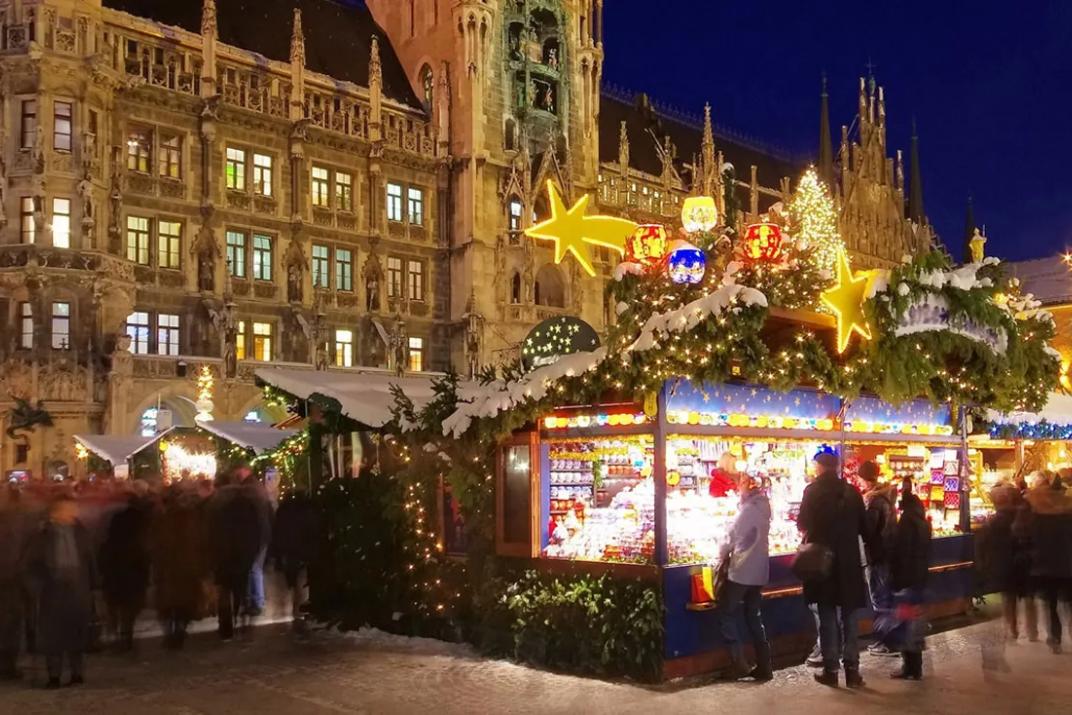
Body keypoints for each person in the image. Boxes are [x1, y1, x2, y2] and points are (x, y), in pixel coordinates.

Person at [798, 451, 872, 689]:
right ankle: (852, 671)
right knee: (849, 617)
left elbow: (803, 523)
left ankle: (831, 670)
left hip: (823, 564)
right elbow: (865, 528)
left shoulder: (812, 492)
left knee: (827, 617)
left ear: (819, 467)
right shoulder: (852, 492)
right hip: (848, 563)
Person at [25, 495, 96, 688]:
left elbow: (90, 560)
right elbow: (31, 564)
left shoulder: (81, 533)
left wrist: (93, 586)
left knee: (76, 631)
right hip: (52, 590)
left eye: (74, 509)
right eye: (68, 509)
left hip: (77, 588)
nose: (73, 513)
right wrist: (35, 587)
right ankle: (54, 675)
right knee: (53, 634)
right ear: (56, 513)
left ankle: (76, 672)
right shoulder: (42, 536)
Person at [717, 473, 773, 681]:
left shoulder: (748, 510)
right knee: (753, 616)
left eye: (740, 484)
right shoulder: (764, 507)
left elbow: (731, 538)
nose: (737, 488)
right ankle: (765, 665)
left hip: (742, 570)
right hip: (759, 570)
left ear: (747, 488)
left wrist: (721, 555)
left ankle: (739, 663)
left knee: (726, 612)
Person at [977, 483, 1036, 641]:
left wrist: (985, 562)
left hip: (1004, 564)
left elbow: (983, 542)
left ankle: (1012, 629)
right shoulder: (1023, 515)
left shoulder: (994, 521)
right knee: (1028, 596)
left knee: (1009, 598)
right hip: (1023, 563)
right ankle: (1032, 630)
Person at [153, 482, 208, 649]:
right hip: (186, 566)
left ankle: (172, 632)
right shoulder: (191, 517)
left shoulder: (163, 519)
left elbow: (155, 543)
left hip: (170, 567)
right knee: (183, 602)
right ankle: (179, 630)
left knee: (170, 602)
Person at [98, 482, 153, 651]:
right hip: (133, 567)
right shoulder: (140, 519)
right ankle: (126, 633)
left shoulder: (112, 520)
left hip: (117, 567)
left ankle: (119, 633)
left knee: (117, 603)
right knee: (130, 605)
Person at [1023, 471, 1072, 654]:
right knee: (1068, 603)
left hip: (1045, 566)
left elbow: (1027, 537)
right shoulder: (1068, 514)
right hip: (1066, 563)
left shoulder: (1037, 516)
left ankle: (1055, 638)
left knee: (1051, 605)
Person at [208, 472, 261, 640]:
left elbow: (209, 531)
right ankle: (241, 618)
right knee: (241, 587)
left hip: (221, 554)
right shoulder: (246, 503)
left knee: (224, 590)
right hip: (243, 553)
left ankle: (226, 628)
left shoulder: (215, 505)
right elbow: (255, 529)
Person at [888, 478, 931, 680]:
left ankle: (910, 667)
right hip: (919, 578)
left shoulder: (906, 522)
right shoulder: (923, 522)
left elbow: (900, 552)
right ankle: (916, 666)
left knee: (906, 623)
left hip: (906, 580)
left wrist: (896, 578)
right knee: (915, 621)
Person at [859, 460, 899, 656]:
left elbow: (869, 530)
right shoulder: (887, 497)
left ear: (864, 478)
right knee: (887, 598)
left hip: (877, 555)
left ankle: (887, 642)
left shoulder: (874, 501)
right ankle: (890, 640)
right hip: (888, 553)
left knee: (880, 600)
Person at [273, 487, 319, 633]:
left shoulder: (284, 511)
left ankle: (294, 609)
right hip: (302, 551)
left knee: (293, 581)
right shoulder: (308, 511)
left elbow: (278, 532)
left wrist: (279, 553)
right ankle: (299, 611)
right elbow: (312, 532)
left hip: (290, 551)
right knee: (301, 582)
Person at [0, 484, 29, 679]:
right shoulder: (16, 522)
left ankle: (8, 665)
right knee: (9, 623)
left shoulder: (16, 521)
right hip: (10, 578)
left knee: (10, 624)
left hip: (11, 579)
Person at [238, 467, 273, 619]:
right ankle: (256, 601)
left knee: (254, 569)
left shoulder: (249, 495)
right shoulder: (260, 494)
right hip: (263, 536)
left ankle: (257, 602)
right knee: (255, 569)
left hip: (256, 537)